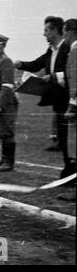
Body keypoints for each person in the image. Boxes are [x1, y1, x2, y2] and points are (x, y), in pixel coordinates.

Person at [15, 16, 70, 156]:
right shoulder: (51, 51)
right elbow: (36, 64)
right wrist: (21, 64)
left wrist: (52, 77)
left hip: (71, 98)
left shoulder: (68, 48)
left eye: (46, 30)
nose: (44, 34)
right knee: (64, 137)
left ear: (55, 31)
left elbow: (72, 73)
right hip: (59, 100)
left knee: (70, 137)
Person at [0, 33, 19, 172]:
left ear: (3, 46)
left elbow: (7, 85)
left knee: (7, 130)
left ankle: (9, 162)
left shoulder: (6, 61)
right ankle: (4, 158)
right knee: (1, 131)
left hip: (5, 99)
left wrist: (0, 104)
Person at [57, 19, 77, 201]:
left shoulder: (75, 51)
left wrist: (71, 105)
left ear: (70, 32)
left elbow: (76, 82)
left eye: (64, 32)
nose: (63, 36)